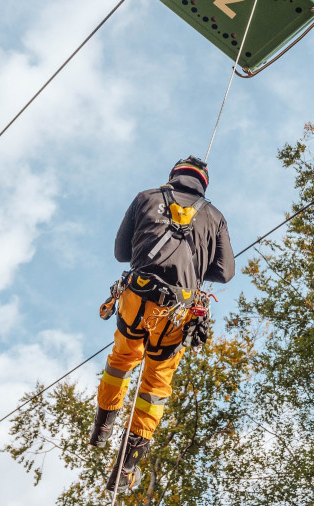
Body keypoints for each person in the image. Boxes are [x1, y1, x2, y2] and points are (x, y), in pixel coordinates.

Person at [89, 156, 235, 494]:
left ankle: (103, 427)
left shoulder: (146, 198)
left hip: (136, 298)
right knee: (155, 387)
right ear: (203, 183)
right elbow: (225, 273)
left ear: (173, 176)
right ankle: (124, 468)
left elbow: (120, 252)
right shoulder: (214, 216)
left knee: (122, 361)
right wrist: (196, 269)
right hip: (177, 309)